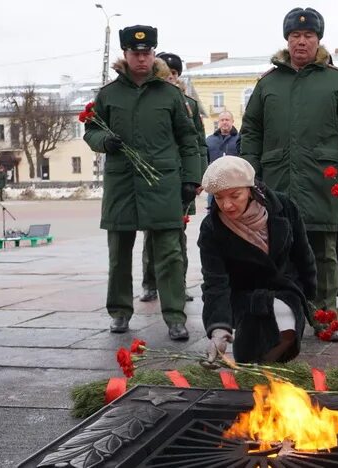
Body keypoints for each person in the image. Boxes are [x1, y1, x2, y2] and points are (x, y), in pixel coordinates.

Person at [240, 7, 338, 341]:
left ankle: (323, 317)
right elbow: (251, 129)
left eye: (308, 36)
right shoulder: (268, 83)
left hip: (321, 180)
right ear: (287, 40)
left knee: (324, 253)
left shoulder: (336, 81)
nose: (301, 42)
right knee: (276, 252)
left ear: (318, 39)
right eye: (295, 36)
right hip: (276, 179)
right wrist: (249, 175)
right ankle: (283, 317)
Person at [83, 25, 201, 340]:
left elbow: (188, 140)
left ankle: (175, 316)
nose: (141, 58)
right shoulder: (109, 94)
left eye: (147, 53)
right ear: (125, 54)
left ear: (153, 54)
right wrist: (104, 140)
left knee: (170, 255)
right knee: (119, 254)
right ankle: (120, 312)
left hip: (161, 184)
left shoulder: (170, 94)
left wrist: (192, 178)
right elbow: (91, 131)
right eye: (136, 53)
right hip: (122, 185)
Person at [199, 156, 317, 364]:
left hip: (284, 287)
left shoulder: (283, 206)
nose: (227, 205)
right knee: (248, 352)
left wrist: (309, 294)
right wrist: (218, 328)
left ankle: (270, 365)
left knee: (283, 319)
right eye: (218, 198)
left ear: (251, 189)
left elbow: (303, 253)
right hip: (242, 295)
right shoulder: (212, 228)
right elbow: (215, 282)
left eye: (235, 195)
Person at [139, 51, 208, 304]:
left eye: (174, 74)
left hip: (182, 178)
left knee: (178, 232)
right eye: (164, 74)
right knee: (152, 234)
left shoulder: (188, 104)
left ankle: (178, 284)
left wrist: (198, 176)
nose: (170, 79)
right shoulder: (148, 99)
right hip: (156, 176)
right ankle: (150, 284)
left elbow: (198, 143)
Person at [206, 111, 240, 208]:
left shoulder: (240, 139)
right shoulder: (209, 140)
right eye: (222, 120)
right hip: (214, 184)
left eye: (227, 120)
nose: (224, 122)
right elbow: (205, 161)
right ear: (218, 122)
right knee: (212, 212)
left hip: (235, 183)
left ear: (232, 121)